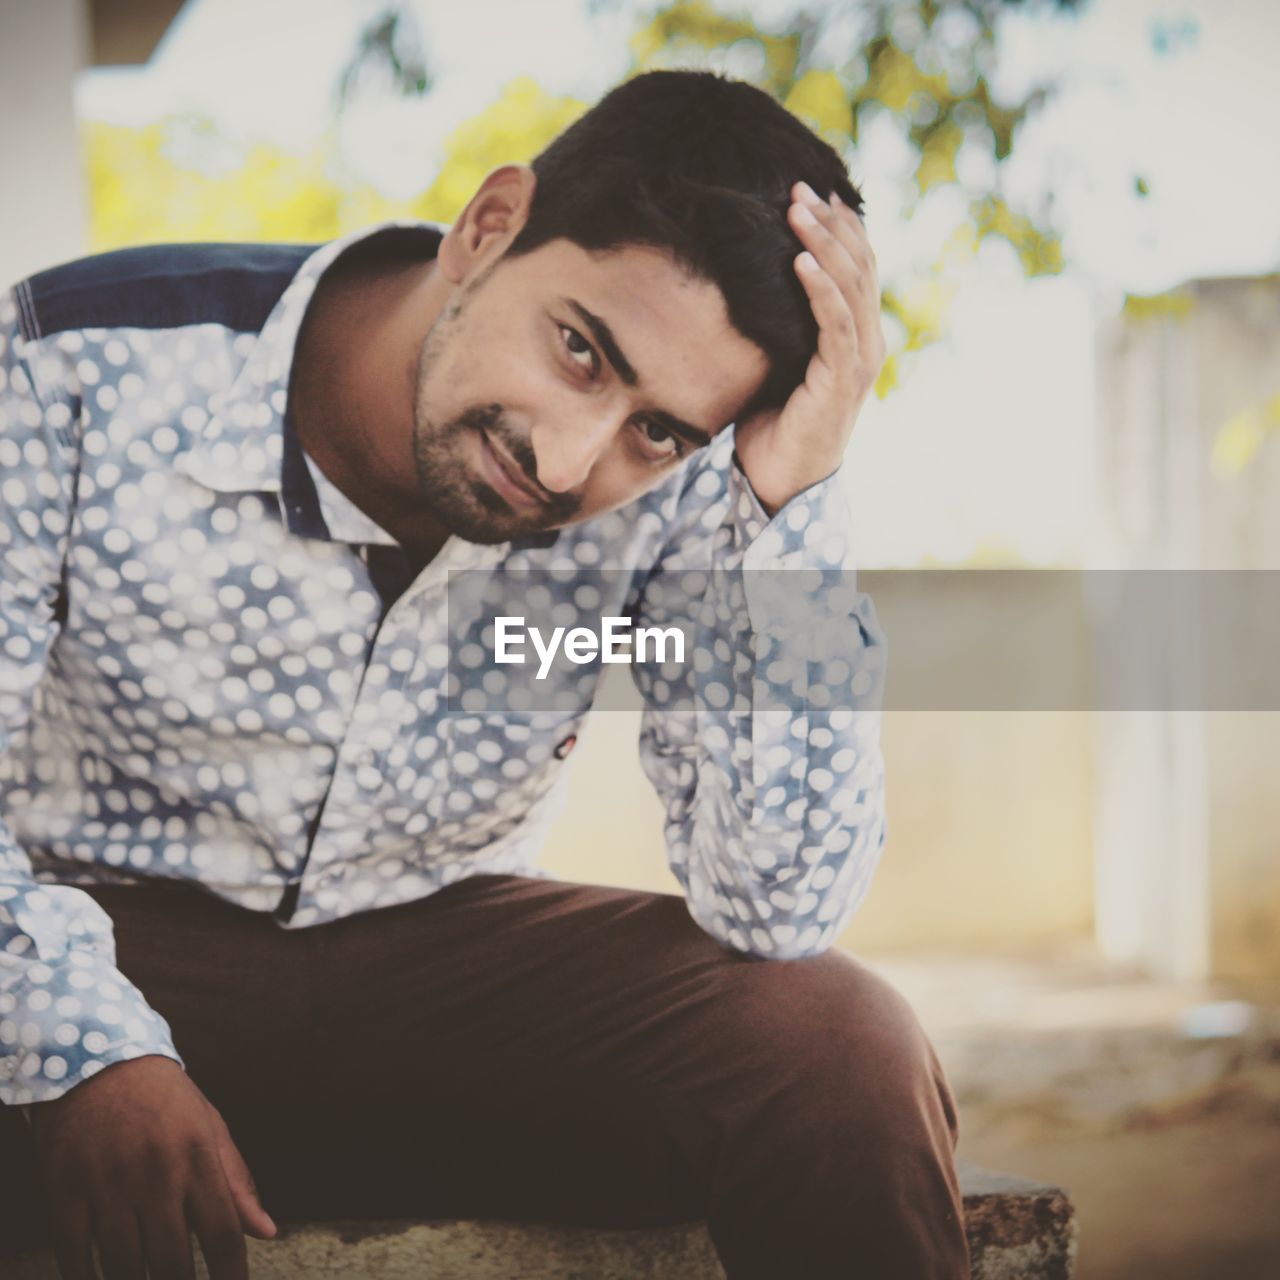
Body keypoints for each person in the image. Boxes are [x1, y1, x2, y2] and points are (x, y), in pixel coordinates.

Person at [0, 70, 969, 1278]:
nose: (569, 463)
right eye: (578, 349)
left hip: (443, 971)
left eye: (657, 428)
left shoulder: (673, 496)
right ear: (489, 224)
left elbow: (776, 904)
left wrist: (791, 503)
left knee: (836, 1043)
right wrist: (80, 1044)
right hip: (100, 930)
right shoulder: (76, 358)